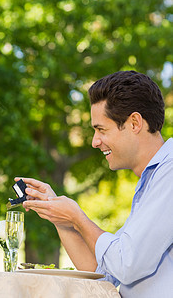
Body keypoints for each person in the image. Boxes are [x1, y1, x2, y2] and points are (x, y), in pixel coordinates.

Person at [18, 70, 172, 297]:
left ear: (135, 123)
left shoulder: (169, 173)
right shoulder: (151, 181)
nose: (94, 141)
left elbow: (126, 264)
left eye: (101, 129)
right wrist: (61, 218)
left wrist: (78, 218)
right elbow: (103, 273)